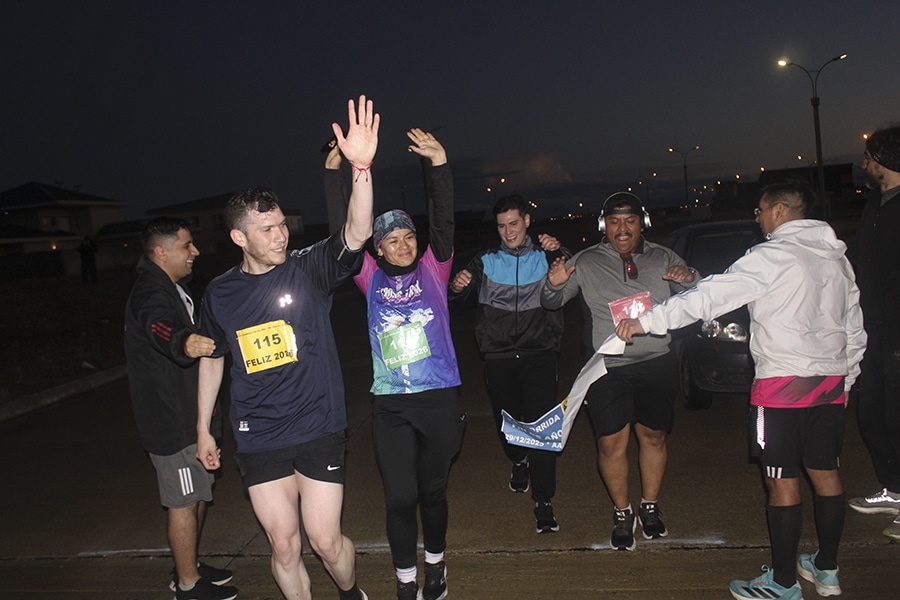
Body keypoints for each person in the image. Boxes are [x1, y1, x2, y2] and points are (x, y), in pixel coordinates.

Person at [616, 181, 866, 600]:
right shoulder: (836, 259)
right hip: (829, 383)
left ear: (781, 211)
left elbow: (710, 295)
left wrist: (648, 321)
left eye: (761, 211)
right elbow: (854, 326)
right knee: (827, 473)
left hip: (782, 386)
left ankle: (783, 583)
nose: (758, 219)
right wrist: (847, 379)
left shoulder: (770, 257)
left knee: (781, 481)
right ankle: (827, 569)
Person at [195, 96, 377, 600]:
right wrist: (203, 427)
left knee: (324, 541)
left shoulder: (308, 267)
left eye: (282, 225)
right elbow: (212, 356)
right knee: (283, 544)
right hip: (258, 433)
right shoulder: (221, 293)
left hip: (318, 423)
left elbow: (358, 232)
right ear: (238, 237)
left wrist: (360, 168)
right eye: (267, 229)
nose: (281, 236)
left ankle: (348, 591)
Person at [327, 128, 464, 600]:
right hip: (390, 406)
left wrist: (439, 164)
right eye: (393, 240)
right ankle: (405, 581)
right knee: (400, 498)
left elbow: (443, 222)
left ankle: (436, 568)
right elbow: (347, 229)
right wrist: (335, 176)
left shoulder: (435, 268)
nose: (404, 245)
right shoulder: (367, 278)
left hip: (439, 399)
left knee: (432, 494)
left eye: (409, 236)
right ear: (378, 249)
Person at [540, 191, 696, 551]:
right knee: (611, 442)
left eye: (630, 220)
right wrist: (555, 282)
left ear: (642, 223)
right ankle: (623, 512)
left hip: (656, 361)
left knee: (653, 436)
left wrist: (688, 277)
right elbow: (551, 302)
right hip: (607, 366)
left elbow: (697, 293)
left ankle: (650, 507)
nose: (622, 228)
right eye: (614, 221)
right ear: (602, 225)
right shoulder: (587, 260)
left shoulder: (662, 256)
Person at [124, 217, 237, 600]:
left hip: (191, 417)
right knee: (184, 501)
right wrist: (186, 342)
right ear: (161, 252)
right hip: (172, 423)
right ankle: (187, 585)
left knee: (200, 494)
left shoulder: (174, 287)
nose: (195, 252)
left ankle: (188, 565)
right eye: (187, 246)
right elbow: (160, 327)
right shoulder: (150, 293)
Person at [449, 193, 568, 534]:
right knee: (508, 421)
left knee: (542, 427)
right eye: (501, 226)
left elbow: (573, 272)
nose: (508, 231)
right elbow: (454, 293)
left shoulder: (546, 254)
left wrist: (558, 249)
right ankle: (518, 459)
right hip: (498, 355)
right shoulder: (485, 260)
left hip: (540, 353)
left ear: (527, 221)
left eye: (514, 223)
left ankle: (544, 502)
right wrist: (458, 286)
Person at [848, 124, 900, 541]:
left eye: (868, 156)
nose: (864, 163)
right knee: (873, 414)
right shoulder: (873, 206)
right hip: (874, 330)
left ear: (884, 161)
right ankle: (894, 487)